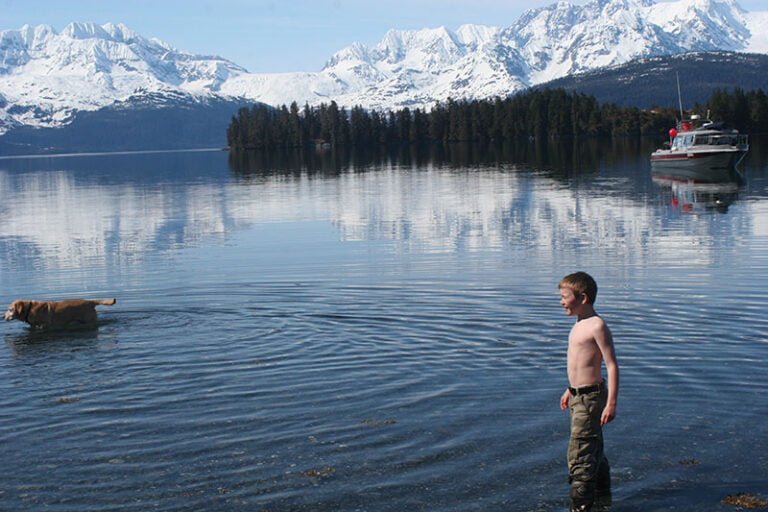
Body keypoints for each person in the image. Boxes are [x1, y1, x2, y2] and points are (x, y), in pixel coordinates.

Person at [558, 272, 619, 512]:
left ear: (583, 298)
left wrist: (611, 403)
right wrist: (569, 389)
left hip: (591, 398)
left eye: (564, 297)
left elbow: (611, 364)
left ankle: (580, 505)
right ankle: (604, 498)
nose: (561, 302)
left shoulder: (597, 325)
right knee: (593, 446)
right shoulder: (579, 322)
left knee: (580, 453)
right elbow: (582, 364)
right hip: (578, 395)